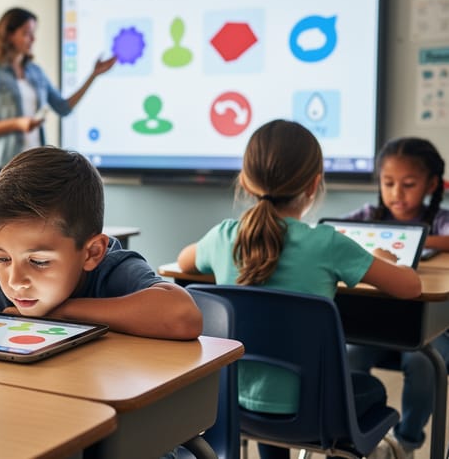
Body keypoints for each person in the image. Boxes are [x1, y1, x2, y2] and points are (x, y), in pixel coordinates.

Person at [176, 119, 422, 459]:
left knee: (269, 385)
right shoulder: (328, 244)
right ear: (314, 184)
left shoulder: (223, 237)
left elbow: (183, 262)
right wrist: (379, 258)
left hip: (234, 405)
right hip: (316, 415)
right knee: (372, 389)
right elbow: (411, 287)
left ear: (245, 180)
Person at [0, 146, 202, 339]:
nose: (15, 281)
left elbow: (182, 315)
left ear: (92, 252)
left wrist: (63, 312)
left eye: (39, 262)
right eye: (2, 257)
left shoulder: (113, 270)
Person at [343, 137, 448, 458]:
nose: (397, 194)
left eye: (409, 184)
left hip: (429, 329)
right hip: (376, 324)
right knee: (350, 355)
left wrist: (412, 238)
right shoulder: (370, 213)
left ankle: (406, 442)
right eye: (389, 183)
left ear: (431, 184)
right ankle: (358, 434)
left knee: (424, 363)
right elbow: (337, 232)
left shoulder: (439, 219)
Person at [0, 7, 117, 188]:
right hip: (3, 168)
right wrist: (17, 123)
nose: (33, 39)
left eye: (34, 33)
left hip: (34, 168)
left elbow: (63, 107)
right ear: (9, 35)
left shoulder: (36, 73)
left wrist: (93, 74)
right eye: (27, 33)